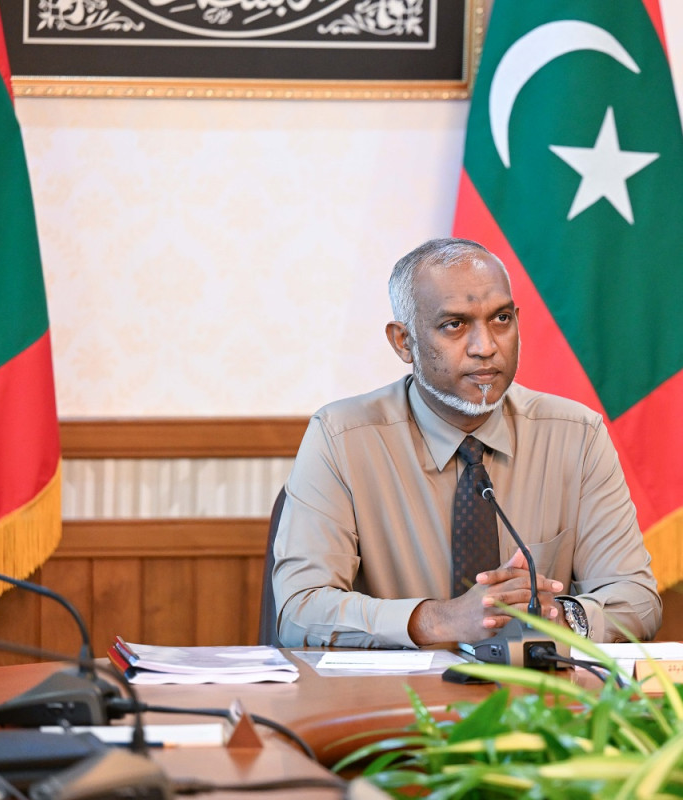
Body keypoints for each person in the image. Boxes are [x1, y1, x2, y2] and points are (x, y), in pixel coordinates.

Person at [272, 238, 662, 648]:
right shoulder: (341, 438)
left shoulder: (577, 434)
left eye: (501, 319)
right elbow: (301, 611)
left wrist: (554, 616)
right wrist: (441, 620)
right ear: (403, 342)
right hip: (397, 701)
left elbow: (637, 601)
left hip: (539, 700)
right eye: (455, 325)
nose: (486, 347)